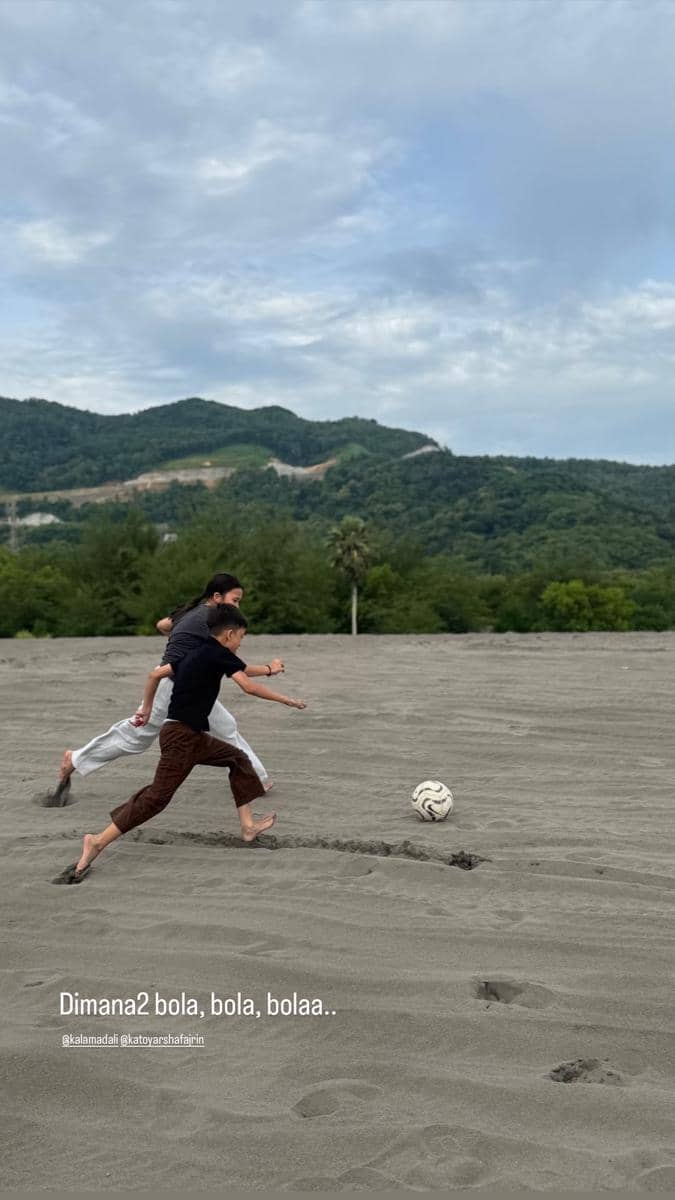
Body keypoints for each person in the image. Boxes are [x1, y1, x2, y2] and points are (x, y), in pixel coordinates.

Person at [72, 605, 307, 878]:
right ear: (229, 634)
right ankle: (97, 841)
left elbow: (155, 674)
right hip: (182, 738)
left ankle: (248, 827)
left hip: (191, 735)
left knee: (238, 759)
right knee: (156, 798)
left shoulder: (195, 652)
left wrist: (147, 707)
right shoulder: (220, 654)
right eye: (241, 638)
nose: (241, 644)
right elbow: (248, 686)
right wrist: (287, 700)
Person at [51, 573, 283, 800]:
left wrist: (181, 641)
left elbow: (162, 625)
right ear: (216, 597)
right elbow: (236, 667)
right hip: (172, 684)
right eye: (235, 600)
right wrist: (269, 668)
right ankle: (76, 759)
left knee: (225, 726)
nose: (238, 606)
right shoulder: (208, 620)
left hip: (185, 682)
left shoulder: (195, 612)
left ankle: (256, 778)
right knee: (136, 736)